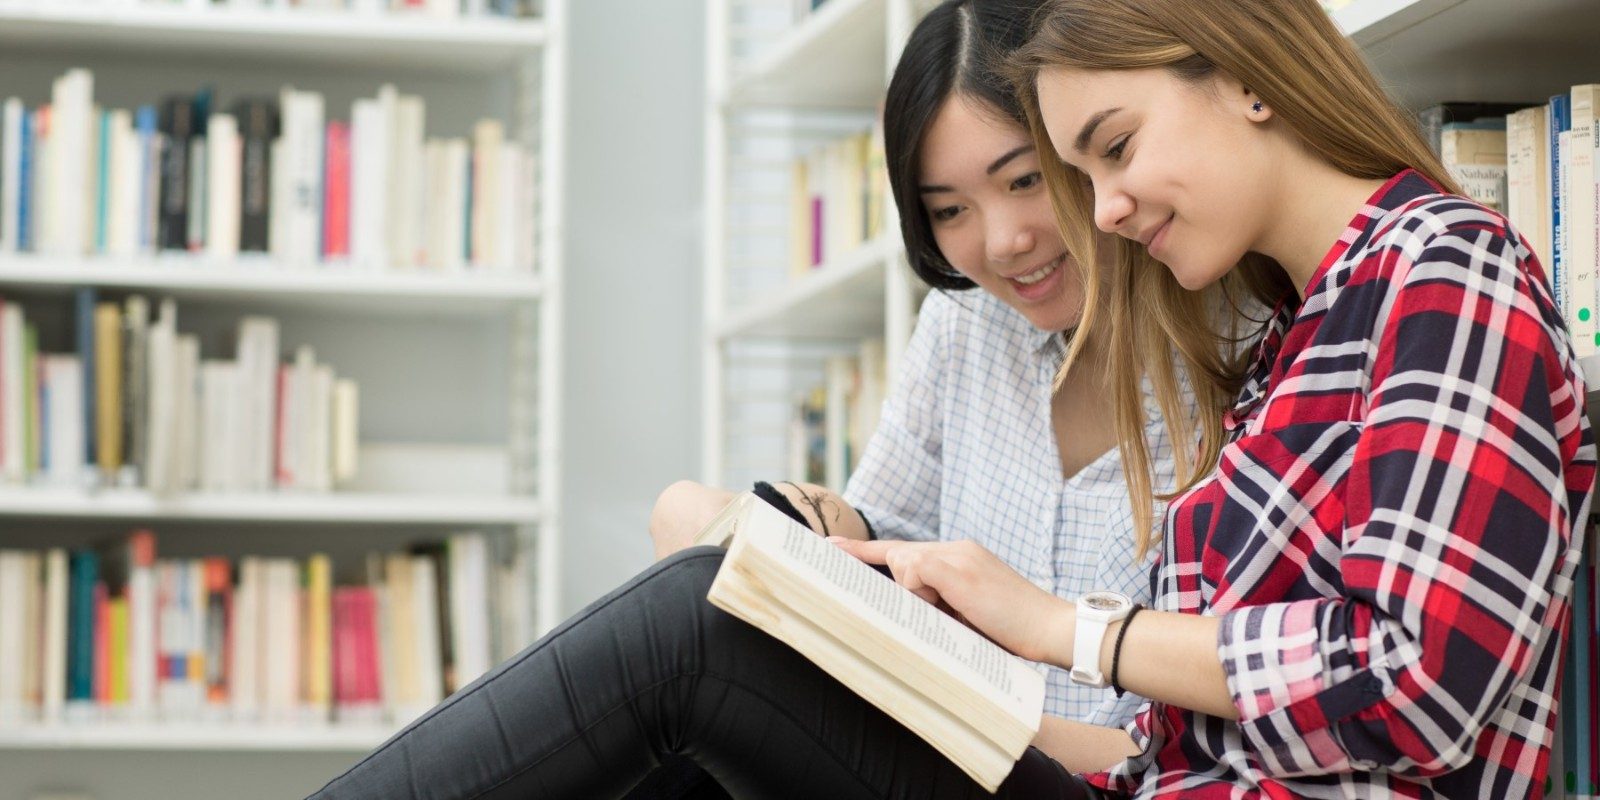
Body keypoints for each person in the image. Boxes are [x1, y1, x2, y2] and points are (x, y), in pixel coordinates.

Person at [308, 0, 1593, 797]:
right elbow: (1197, 736)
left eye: (1109, 152)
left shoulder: (1444, 268)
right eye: (1077, 169)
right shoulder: (1299, 336)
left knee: (691, 639)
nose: (1099, 213)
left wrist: (1056, 628)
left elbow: (1420, 679)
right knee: (699, 714)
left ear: (1246, 72)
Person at [651, 0, 1211, 728]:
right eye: (949, 211)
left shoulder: (1240, 342)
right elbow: (885, 524)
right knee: (684, 537)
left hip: (1130, 772)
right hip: (952, 754)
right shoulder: (965, 322)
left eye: (1024, 180)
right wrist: (783, 523)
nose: (1002, 241)